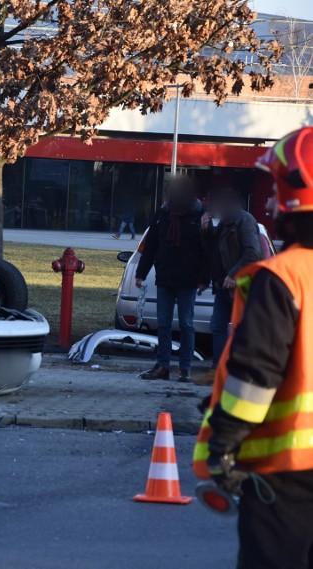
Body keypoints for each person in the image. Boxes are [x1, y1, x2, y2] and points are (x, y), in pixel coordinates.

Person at [192, 126, 313, 569]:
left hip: (289, 475)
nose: (268, 203)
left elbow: (255, 376)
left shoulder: (285, 277)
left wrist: (223, 444)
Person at [134, 176, 209, 382]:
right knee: (163, 324)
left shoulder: (199, 215)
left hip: (188, 278)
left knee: (186, 324)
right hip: (165, 276)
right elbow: (151, 246)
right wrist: (141, 272)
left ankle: (185, 369)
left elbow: (207, 250)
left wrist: (204, 278)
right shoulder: (163, 214)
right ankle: (163, 366)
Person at [200, 187, 263, 375]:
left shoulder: (244, 221)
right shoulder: (225, 223)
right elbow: (213, 251)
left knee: (243, 328)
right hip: (222, 287)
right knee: (218, 326)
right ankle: (217, 370)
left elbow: (253, 252)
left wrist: (234, 274)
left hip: (241, 286)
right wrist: (206, 230)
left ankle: (245, 371)